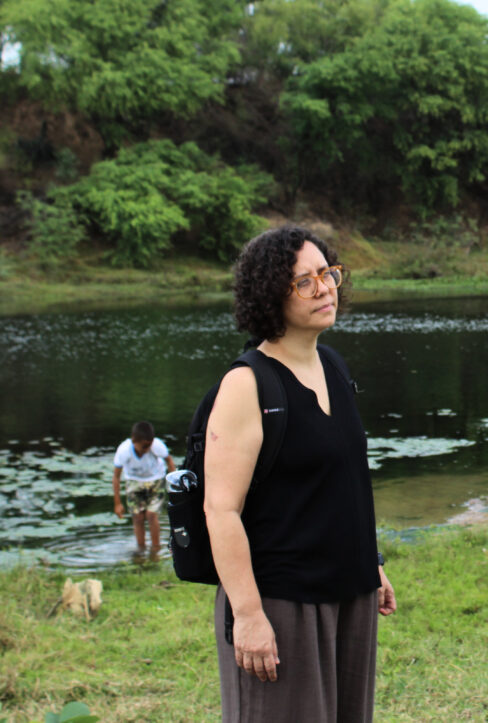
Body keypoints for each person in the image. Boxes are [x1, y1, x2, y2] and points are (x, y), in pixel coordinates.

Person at [203, 225, 395, 722]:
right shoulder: (248, 384)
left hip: (349, 590)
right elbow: (220, 509)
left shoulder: (331, 364)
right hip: (281, 599)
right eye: (304, 282)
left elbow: (342, 482)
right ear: (271, 294)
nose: (324, 288)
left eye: (327, 274)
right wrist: (247, 615)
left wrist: (368, 562)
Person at [112, 421, 176, 553]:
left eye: (149, 446)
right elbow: (116, 477)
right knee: (138, 517)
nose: (147, 449)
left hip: (155, 480)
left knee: (151, 515)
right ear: (134, 441)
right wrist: (117, 503)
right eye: (144, 446)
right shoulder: (124, 451)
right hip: (134, 482)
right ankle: (141, 551)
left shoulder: (157, 445)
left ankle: (156, 550)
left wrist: (175, 484)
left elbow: (169, 461)